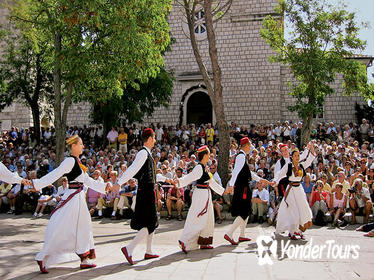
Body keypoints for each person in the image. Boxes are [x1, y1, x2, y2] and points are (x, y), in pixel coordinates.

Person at [31, 135, 109, 273]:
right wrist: (37, 184)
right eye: (80, 144)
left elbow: (88, 181)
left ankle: (84, 258)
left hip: (78, 198)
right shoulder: (69, 161)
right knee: (62, 227)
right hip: (72, 198)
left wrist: (105, 187)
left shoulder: (77, 162)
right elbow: (55, 174)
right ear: (73, 146)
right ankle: (43, 256)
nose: (83, 146)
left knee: (84, 227)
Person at [117, 128, 173, 265]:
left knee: (152, 222)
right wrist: (118, 183)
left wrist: (166, 179)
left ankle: (148, 251)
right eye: (154, 138)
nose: (155, 140)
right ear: (149, 139)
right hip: (146, 192)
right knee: (150, 223)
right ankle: (129, 249)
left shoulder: (147, 153)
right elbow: (132, 170)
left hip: (148, 191)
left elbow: (151, 175)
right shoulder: (143, 153)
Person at [175, 145, 225, 253]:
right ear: (205, 155)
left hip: (206, 194)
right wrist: (178, 182)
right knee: (198, 217)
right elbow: (190, 177)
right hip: (201, 195)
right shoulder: (199, 168)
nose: (210, 156)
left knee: (208, 218)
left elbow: (211, 183)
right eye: (208, 154)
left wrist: (224, 191)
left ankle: (204, 242)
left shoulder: (205, 168)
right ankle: (185, 240)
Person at [224, 137, 273, 245]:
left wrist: (261, 179)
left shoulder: (242, 156)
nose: (251, 147)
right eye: (250, 145)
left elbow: (249, 174)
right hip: (243, 188)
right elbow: (235, 171)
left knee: (246, 211)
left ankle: (242, 235)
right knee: (244, 212)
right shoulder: (241, 157)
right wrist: (231, 185)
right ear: (245, 145)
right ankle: (229, 233)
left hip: (244, 187)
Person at [273, 142, 316, 240]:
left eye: (298, 156)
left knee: (303, 209)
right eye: (295, 156)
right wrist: (274, 182)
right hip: (291, 190)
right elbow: (279, 174)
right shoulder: (287, 165)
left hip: (299, 189)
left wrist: (311, 147)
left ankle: (299, 230)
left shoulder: (301, 165)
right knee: (294, 211)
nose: (297, 157)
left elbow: (310, 158)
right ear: (292, 157)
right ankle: (292, 232)